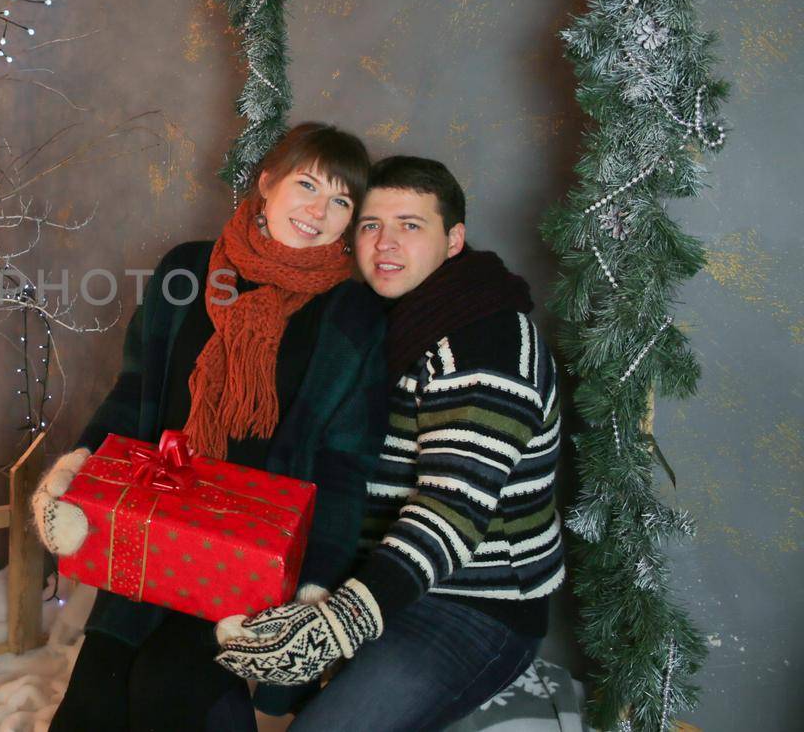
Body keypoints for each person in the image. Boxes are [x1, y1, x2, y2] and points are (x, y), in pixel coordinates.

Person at [34, 123, 392, 731]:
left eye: (341, 201)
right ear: (267, 184)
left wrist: (314, 588)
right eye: (306, 185)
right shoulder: (188, 271)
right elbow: (134, 391)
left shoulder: (353, 314)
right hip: (156, 526)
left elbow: (345, 465)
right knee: (94, 699)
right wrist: (78, 469)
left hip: (250, 560)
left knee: (168, 690)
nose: (318, 211)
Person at [214, 156, 566, 731]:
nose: (385, 244)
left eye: (411, 224)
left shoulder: (486, 342)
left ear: (454, 240)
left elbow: (452, 513)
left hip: (472, 603)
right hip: (379, 574)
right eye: (371, 225)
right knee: (201, 683)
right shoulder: (393, 317)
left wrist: (341, 621)